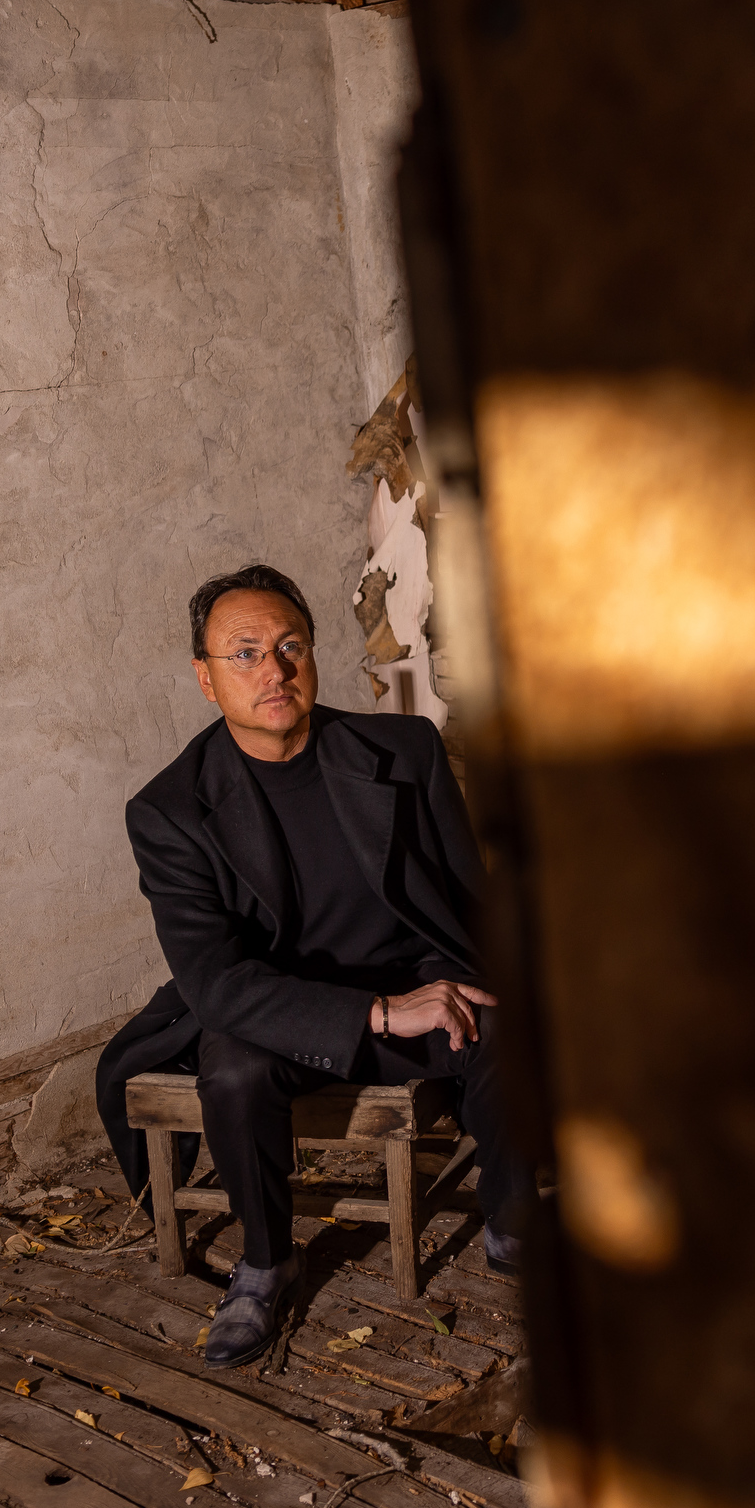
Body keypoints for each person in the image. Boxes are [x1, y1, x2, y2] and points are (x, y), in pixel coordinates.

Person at [95, 562, 528, 1367]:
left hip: (411, 979)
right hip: (274, 1006)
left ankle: (509, 1218)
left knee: (501, 1013)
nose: (275, 670)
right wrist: (377, 1014)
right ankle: (265, 1260)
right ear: (205, 678)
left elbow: (467, 899)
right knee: (234, 1074)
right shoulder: (170, 811)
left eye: (291, 645)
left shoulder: (403, 750)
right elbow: (219, 983)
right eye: (247, 652)